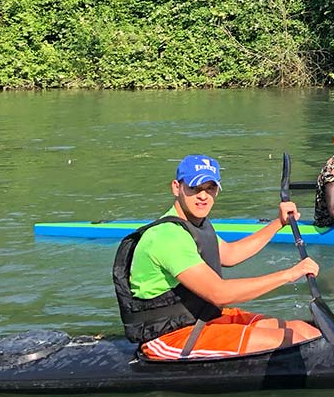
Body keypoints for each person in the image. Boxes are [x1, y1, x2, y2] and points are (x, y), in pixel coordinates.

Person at [113, 154, 322, 361]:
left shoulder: (197, 224)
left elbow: (230, 255)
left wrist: (278, 223)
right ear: (176, 187)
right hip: (170, 337)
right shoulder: (167, 237)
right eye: (195, 188)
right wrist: (289, 274)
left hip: (202, 318)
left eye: (210, 188)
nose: (203, 196)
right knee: (291, 340)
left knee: (303, 331)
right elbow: (219, 294)